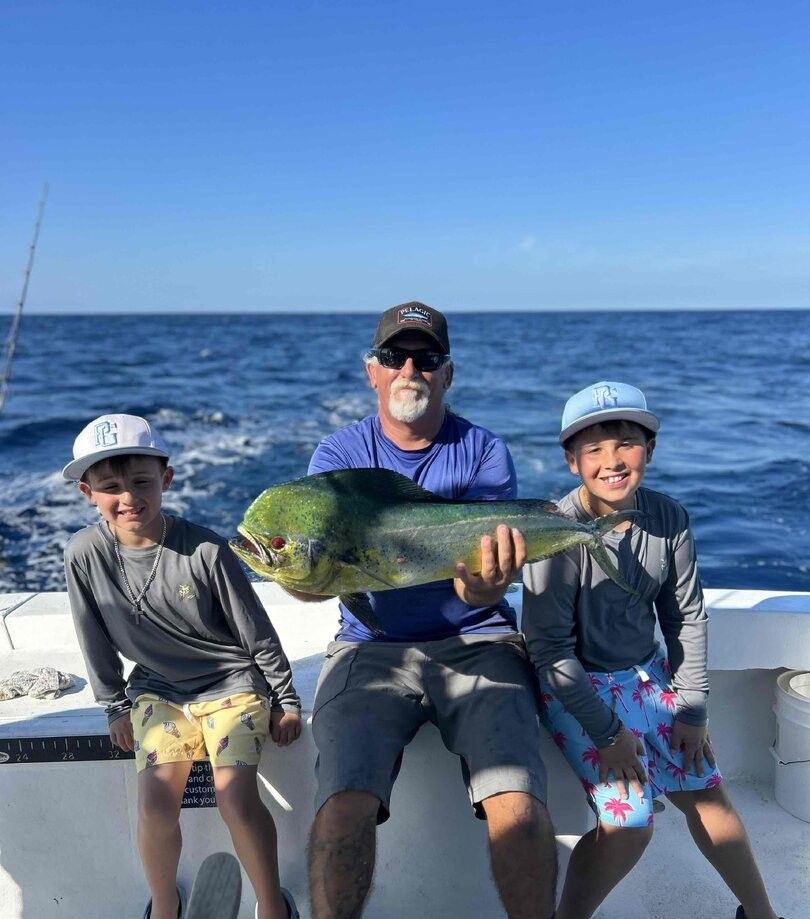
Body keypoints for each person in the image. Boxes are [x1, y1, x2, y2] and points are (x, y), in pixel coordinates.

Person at [305, 302, 557, 919]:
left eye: (428, 358)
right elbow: (315, 580)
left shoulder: (481, 451)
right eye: (395, 357)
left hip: (477, 639)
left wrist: (485, 588)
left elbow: (481, 589)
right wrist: (301, 574)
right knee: (342, 809)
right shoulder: (337, 460)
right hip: (370, 645)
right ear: (373, 370)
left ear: (448, 373)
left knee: (517, 807)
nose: (410, 369)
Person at [522, 381, 785, 919]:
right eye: (593, 449)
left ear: (650, 450)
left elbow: (684, 615)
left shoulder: (668, 519)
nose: (612, 460)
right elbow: (550, 652)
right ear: (572, 461)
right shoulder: (557, 532)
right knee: (630, 825)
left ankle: (763, 916)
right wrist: (609, 735)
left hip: (646, 675)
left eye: (625, 443)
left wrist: (691, 709)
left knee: (708, 791)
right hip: (576, 687)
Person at [62, 414, 302, 919]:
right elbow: (93, 637)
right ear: (88, 492)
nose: (128, 497)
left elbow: (256, 633)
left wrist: (286, 699)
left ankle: (271, 905)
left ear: (166, 480)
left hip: (232, 684)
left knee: (235, 796)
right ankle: (166, 904)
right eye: (110, 487)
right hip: (157, 692)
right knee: (153, 802)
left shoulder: (208, 550)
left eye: (142, 482)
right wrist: (113, 706)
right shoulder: (84, 554)